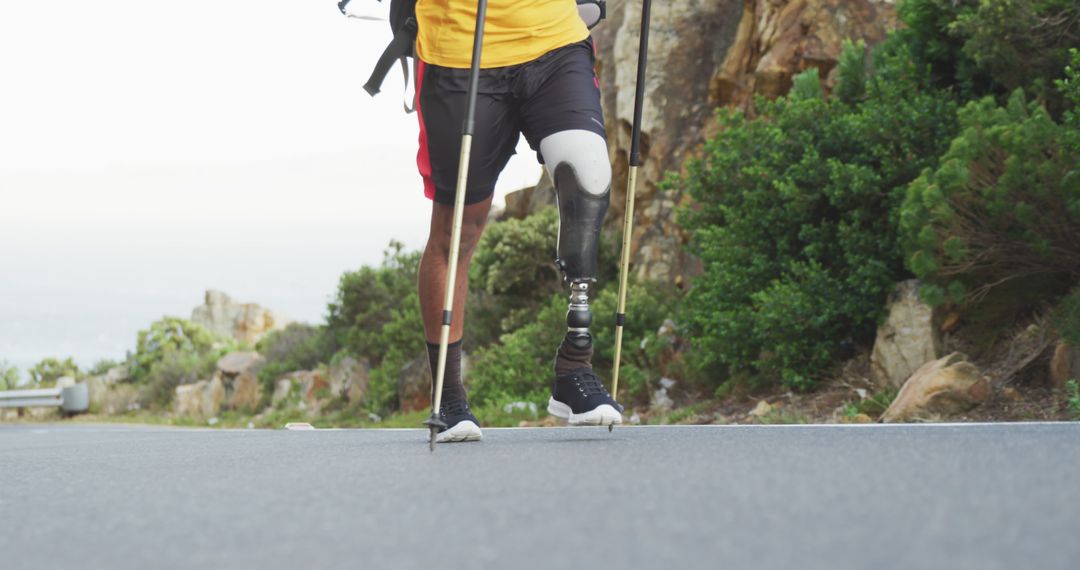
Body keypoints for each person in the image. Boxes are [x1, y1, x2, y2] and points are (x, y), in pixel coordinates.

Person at [415, 0, 623, 442]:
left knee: (588, 177)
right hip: (460, 54)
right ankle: (448, 395)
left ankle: (575, 366)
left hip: (555, 40)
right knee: (458, 231)